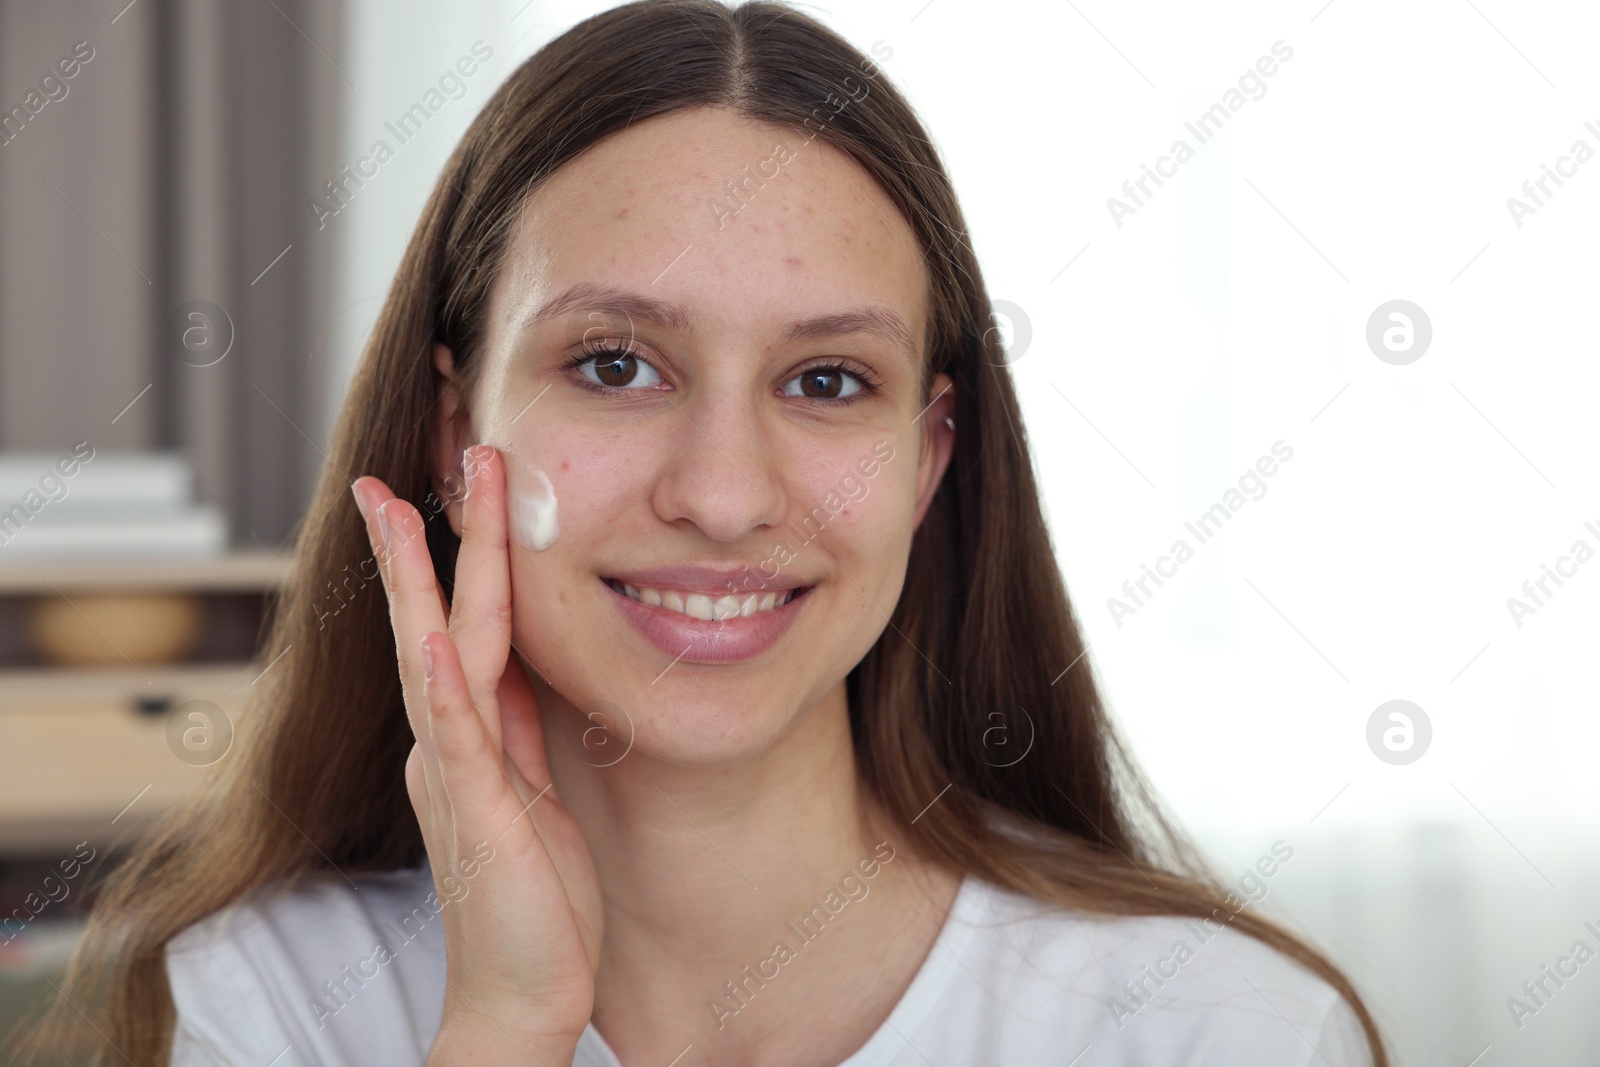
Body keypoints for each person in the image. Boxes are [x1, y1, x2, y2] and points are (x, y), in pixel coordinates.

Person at [22, 2, 1387, 1064]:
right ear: (453, 437)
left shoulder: (1216, 1034)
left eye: (827, 380)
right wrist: (507, 1027)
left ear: (929, 458)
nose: (725, 495)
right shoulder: (267, 1005)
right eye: (616, 365)